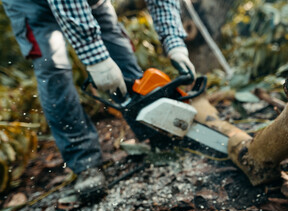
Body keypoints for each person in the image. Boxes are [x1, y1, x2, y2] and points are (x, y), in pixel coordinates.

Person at [2, 0, 196, 199]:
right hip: (31, 4)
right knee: (52, 67)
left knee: (120, 51)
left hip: (92, 3)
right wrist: (97, 59)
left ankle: (156, 131)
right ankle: (85, 163)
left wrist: (175, 44)